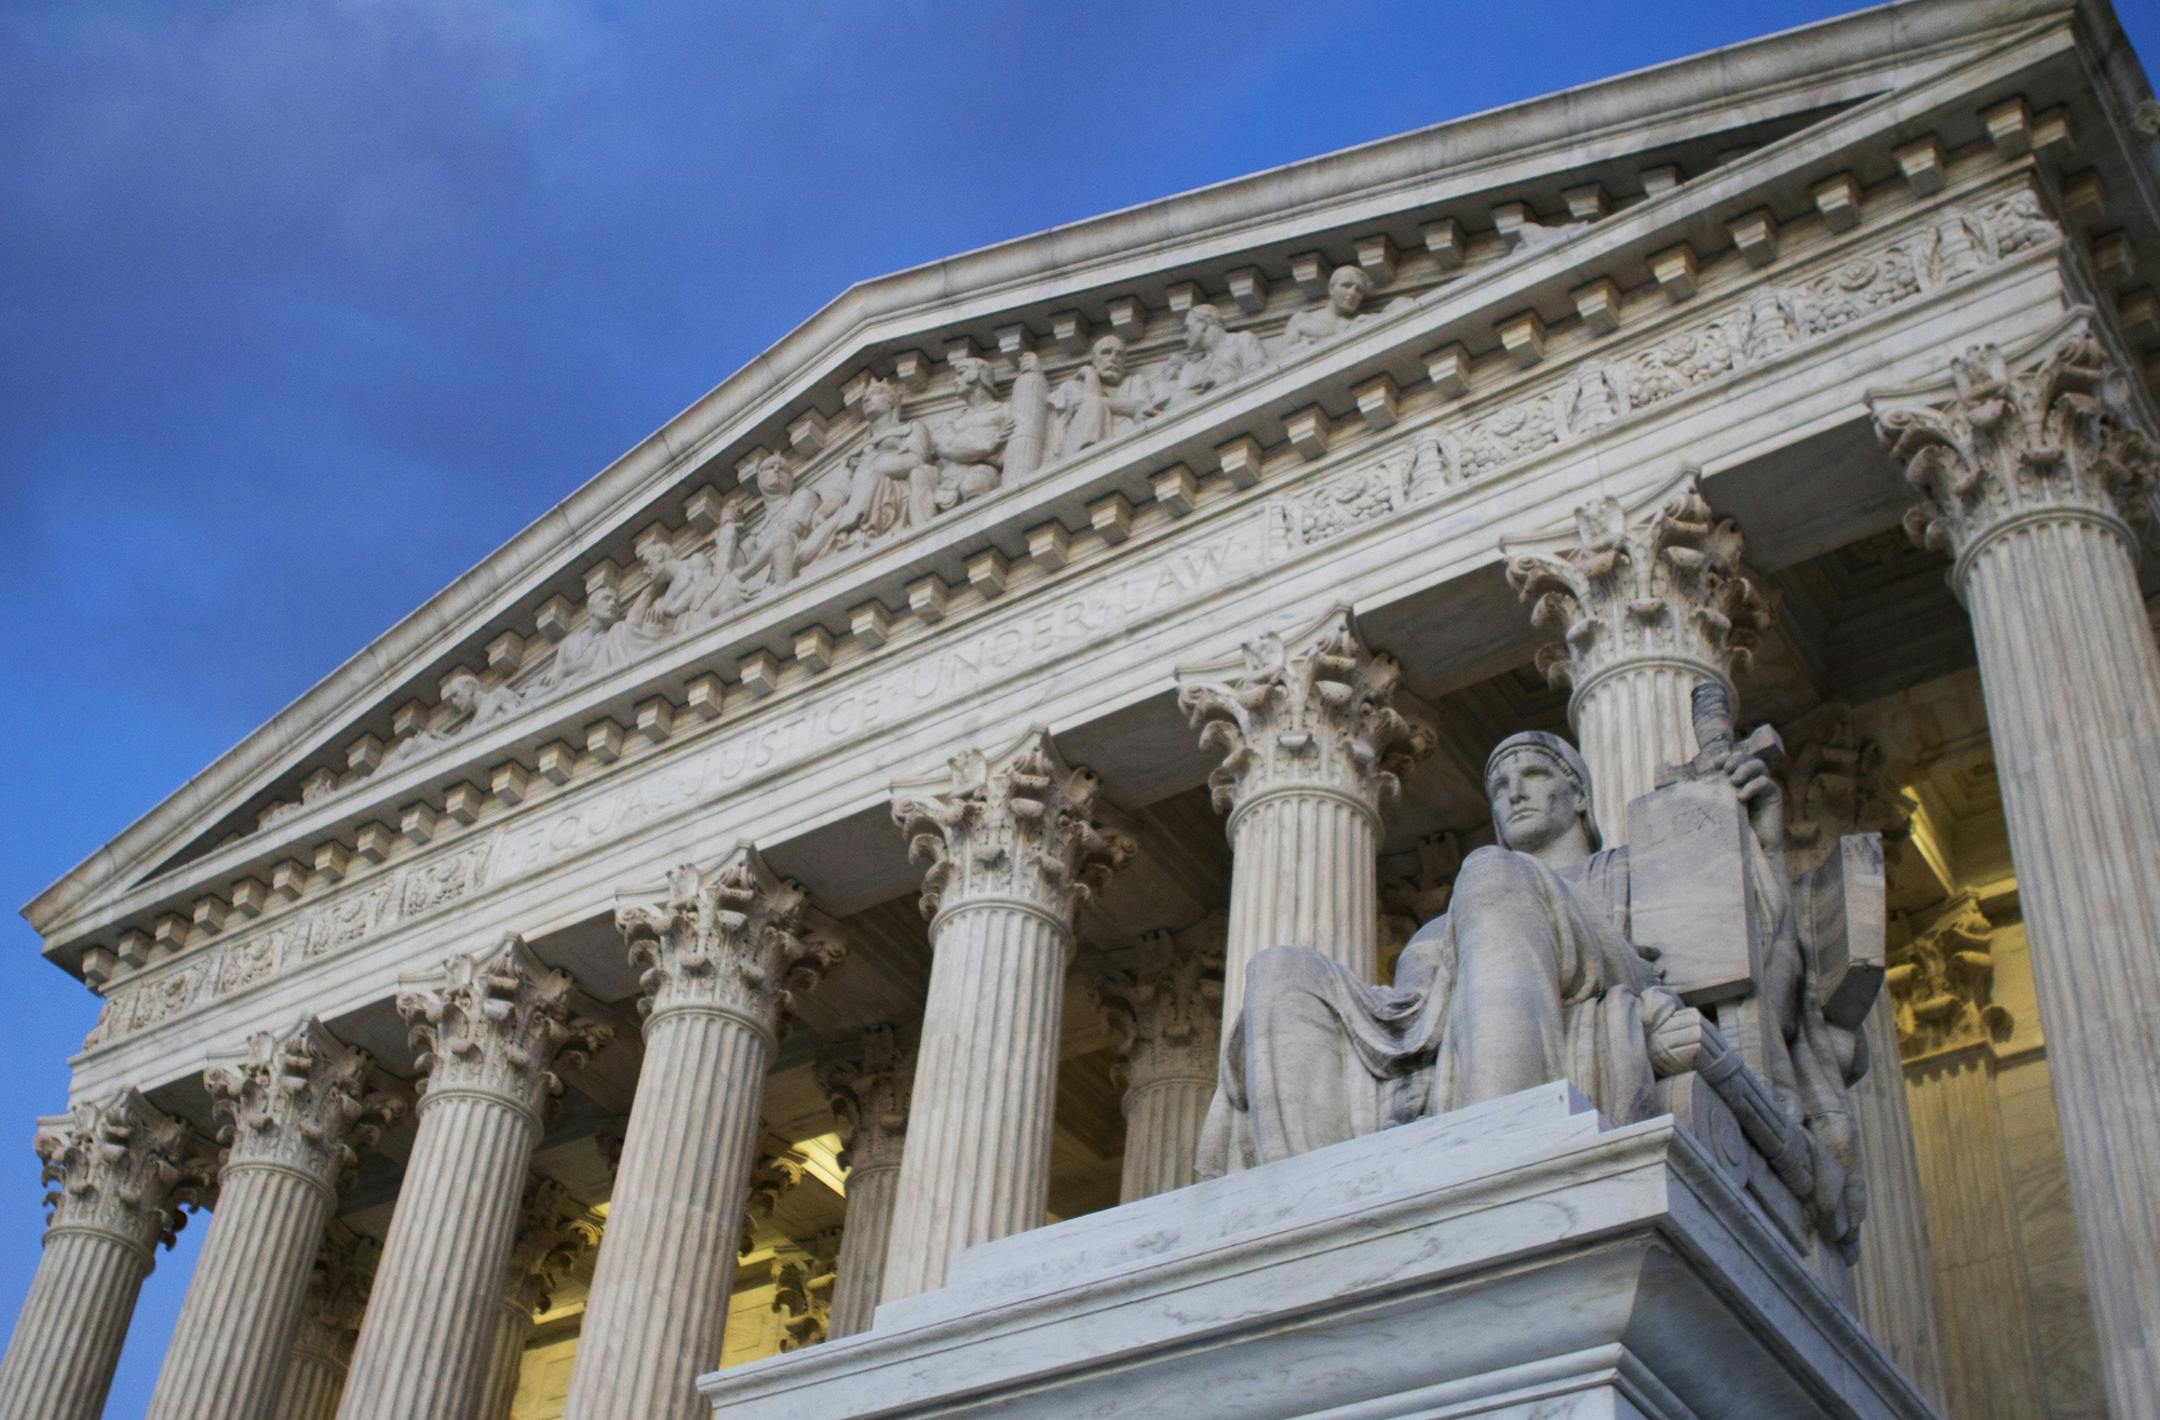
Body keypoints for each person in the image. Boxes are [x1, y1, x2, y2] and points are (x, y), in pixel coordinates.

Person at [1198, 729, 1723, 1175]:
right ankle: (1310, 1196)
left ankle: (1494, 1151)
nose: (1514, 793)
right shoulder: (1446, 924)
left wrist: (1747, 831)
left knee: (1495, 872)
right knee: (1279, 969)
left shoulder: (1627, 871)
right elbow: (1412, 1018)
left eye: (1535, 775)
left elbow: (1704, 972)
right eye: (1498, 786)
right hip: (1443, 1018)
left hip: (1614, 978)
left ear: (1579, 794)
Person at [1048, 334, 1156, 458]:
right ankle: (1089, 457)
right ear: (1094, 360)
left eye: (1119, 355)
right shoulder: (1073, 386)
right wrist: (1090, 373)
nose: (1113, 358)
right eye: (1106, 352)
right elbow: (1090, 404)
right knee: (1093, 405)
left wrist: (1132, 408)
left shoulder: (1135, 381)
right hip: (1076, 452)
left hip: (1128, 447)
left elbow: (1144, 408)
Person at [1159, 303, 1269, 409]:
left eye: (1188, 328)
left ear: (1204, 323)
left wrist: (1216, 381)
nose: (1184, 337)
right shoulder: (1198, 365)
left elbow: (1259, 374)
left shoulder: (1241, 340)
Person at [1279, 264, 1376, 351]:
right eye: (1346, 285)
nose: (1352, 293)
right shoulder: (1303, 319)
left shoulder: (1361, 322)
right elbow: (1281, 357)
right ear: (1331, 288)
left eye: (1358, 290)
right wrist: (1303, 347)